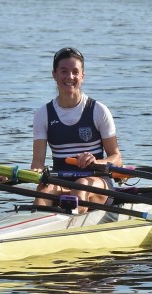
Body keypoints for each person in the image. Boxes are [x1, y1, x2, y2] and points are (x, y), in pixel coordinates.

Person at [30, 47, 122, 212]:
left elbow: (117, 158)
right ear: (54, 75)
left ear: (82, 76)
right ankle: (36, 221)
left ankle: (71, 221)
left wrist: (97, 162)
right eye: (64, 71)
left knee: (81, 185)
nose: (70, 77)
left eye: (75, 72)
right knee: (44, 189)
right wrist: (36, 171)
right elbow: (37, 163)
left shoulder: (98, 110)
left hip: (96, 182)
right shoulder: (43, 114)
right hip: (61, 182)